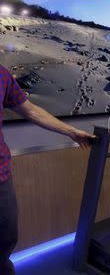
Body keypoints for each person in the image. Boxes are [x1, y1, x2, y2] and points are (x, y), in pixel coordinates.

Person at [0, 65, 95, 275]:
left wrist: (71, 132)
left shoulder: (1, 74)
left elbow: (30, 110)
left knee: (5, 242)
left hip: (1, 177)